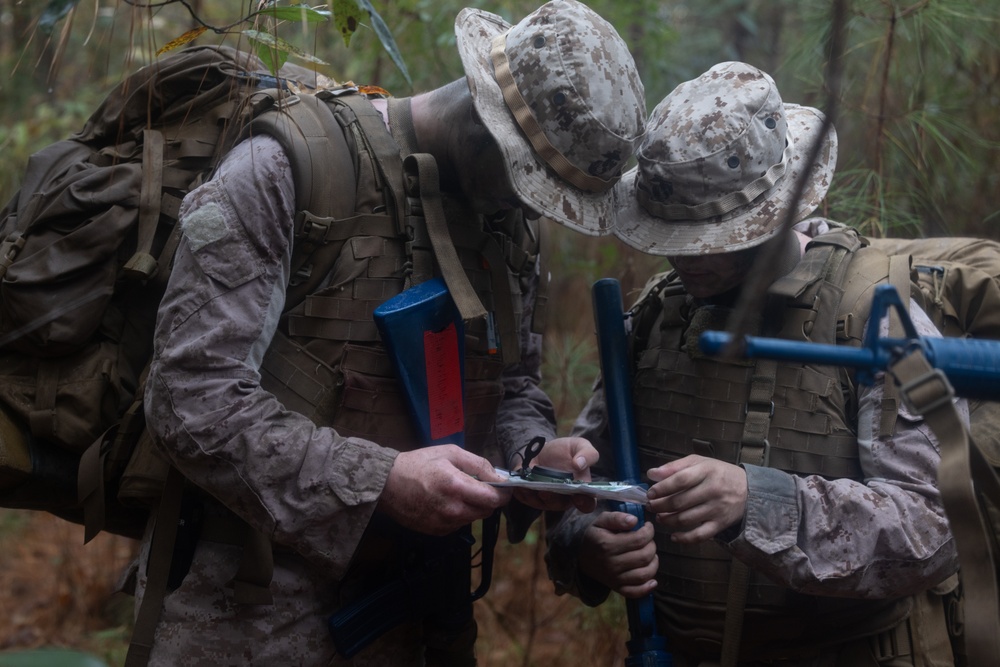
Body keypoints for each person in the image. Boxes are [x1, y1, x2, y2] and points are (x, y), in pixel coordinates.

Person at [134, 1, 646, 665]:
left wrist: (532, 454)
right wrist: (380, 480)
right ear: (484, 116)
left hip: (422, 610)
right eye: (529, 182)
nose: (532, 206)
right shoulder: (285, 169)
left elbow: (513, 380)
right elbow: (188, 398)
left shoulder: (509, 223)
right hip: (250, 614)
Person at [545, 61, 963, 666]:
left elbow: (934, 528)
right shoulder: (656, 320)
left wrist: (758, 502)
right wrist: (584, 542)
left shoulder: (869, 317)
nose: (688, 263)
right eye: (673, 238)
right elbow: (588, 485)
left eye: (712, 239)